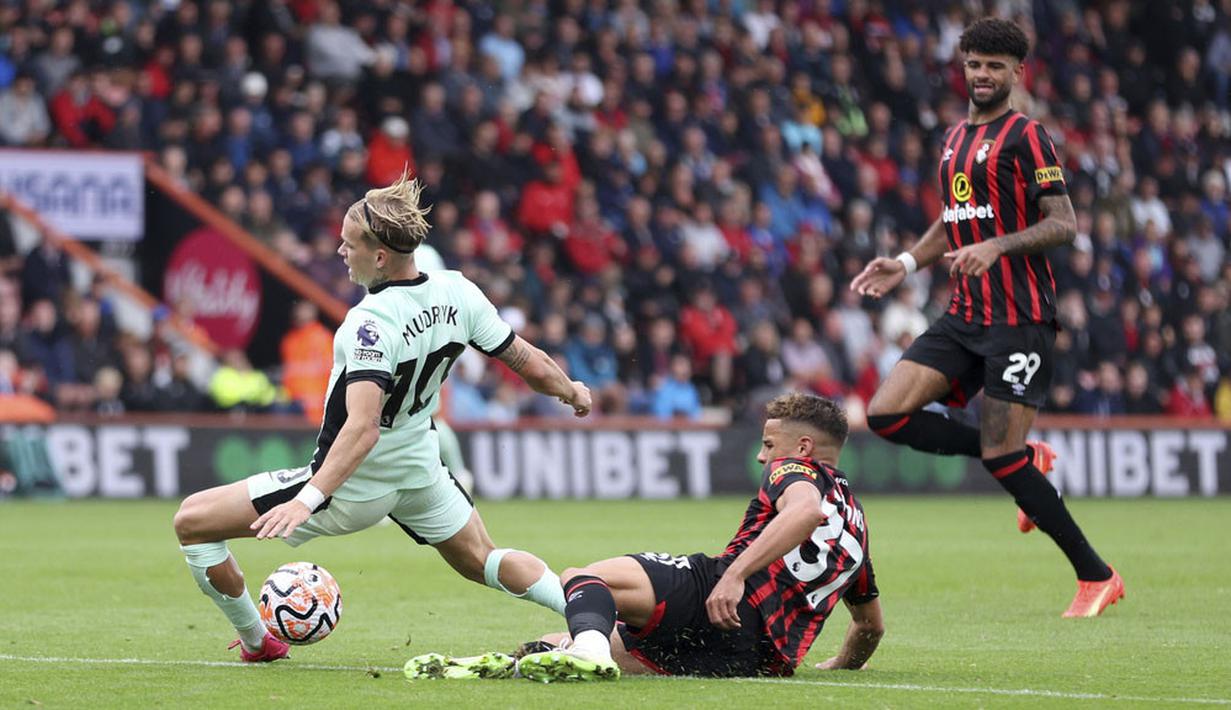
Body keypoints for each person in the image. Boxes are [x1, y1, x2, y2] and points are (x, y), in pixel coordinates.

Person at [173, 172, 593, 662]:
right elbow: (528, 362)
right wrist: (572, 391)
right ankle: (593, 620)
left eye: (348, 244)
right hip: (419, 468)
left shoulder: (369, 325)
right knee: (485, 560)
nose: (339, 252)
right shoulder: (459, 291)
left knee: (192, 522)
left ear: (379, 256)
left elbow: (363, 427)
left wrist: (308, 499)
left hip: (353, 483)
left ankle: (257, 642)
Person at [850, 18, 1123, 618]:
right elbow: (953, 219)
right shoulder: (953, 138)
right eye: (974, 63)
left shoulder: (1029, 137)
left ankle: (1096, 576)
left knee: (1003, 459)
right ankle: (1029, 460)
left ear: (1016, 72)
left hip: (1019, 318)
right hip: (964, 313)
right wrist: (904, 261)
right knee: (886, 413)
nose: (982, 75)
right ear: (962, 66)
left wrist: (998, 246)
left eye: (995, 66)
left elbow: (1064, 222)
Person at [406, 393, 883, 681]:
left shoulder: (793, 469)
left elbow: (803, 511)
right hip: (755, 658)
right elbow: (869, 626)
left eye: (768, 444)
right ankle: (516, 663)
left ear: (802, 447)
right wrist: (842, 663)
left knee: (585, 578)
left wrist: (735, 575)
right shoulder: (856, 526)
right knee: (573, 636)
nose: (763, 457)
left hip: (717, 599)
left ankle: (583, 651)